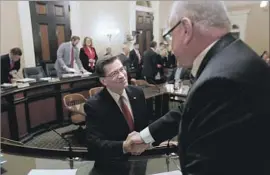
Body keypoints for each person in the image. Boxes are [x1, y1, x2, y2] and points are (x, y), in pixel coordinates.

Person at [125, 1, 270, 175]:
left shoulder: (220, 79)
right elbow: (190, 111)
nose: (170, 46)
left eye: (170, 36)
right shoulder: (231, 57)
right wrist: (145, 136)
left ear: (186, 29)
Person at [84, 56, 150, 175]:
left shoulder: (137, 93)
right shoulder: (94, 105)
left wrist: (157, 140)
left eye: (121, 69)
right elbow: (94, 145)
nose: (121, 75)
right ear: (103, 81)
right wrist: (123, 146)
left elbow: (145, 126)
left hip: (139, 162)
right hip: (111, 167)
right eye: (114, 73)